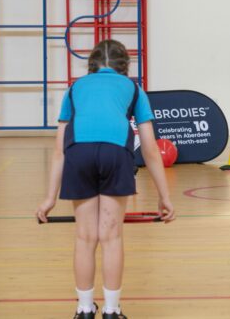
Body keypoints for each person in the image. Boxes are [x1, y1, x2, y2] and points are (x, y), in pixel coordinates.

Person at [36, 39, 176, 319]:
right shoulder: (134, 89)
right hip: (115, 153)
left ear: (91, 66)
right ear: (125, 68)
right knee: (111, 237)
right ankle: (112, 310)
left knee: (86, 237)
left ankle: (84, 309)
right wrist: (165, 196)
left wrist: (50, 198)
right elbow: (149, 149)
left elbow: (59, 149)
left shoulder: (75, 88)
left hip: (79, 153)